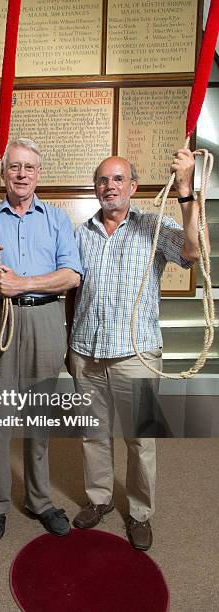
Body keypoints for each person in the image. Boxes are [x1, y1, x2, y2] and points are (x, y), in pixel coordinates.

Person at [65, 150, 209, 550]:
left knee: (141, 440)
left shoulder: (153, 226)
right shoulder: (82, 233)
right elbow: (74, 292)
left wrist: (185, 190)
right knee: (93, 434)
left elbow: (193, 253)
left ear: (133, 186)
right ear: (96, 189)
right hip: (86, 352)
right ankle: (99, 500)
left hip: (137, 354)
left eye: (117, 179)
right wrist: (69, 344)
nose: (109, 186)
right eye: (102, 180)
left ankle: (141, 512)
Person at [0, 138, 82, 540]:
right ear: (3, 173)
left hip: (45, 320)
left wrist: (24, 282)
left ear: (38, 174)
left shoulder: (57, 220)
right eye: (14, 167)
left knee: (39, 417)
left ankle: (39, 500)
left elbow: (71, 275)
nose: (21, 174)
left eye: (28, 168)